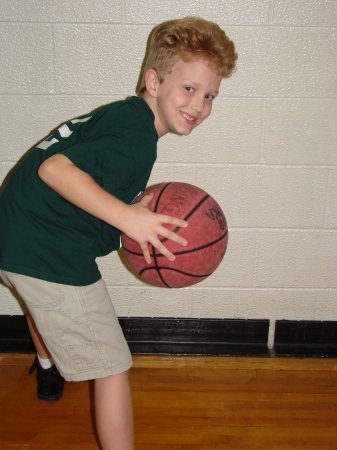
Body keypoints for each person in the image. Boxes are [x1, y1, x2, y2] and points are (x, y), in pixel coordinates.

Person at [0, 16, 237, 450]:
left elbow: (73, 171)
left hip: (12, 231)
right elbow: (54, 169)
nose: (199, 105)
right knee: (112, 367)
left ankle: (47, 363)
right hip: (43, 247)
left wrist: (121, 210)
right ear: (153, 80)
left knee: (39, 302)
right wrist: (128, 220)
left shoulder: (124, 117)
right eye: (189, 88)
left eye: (210, 96)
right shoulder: (136, 139)